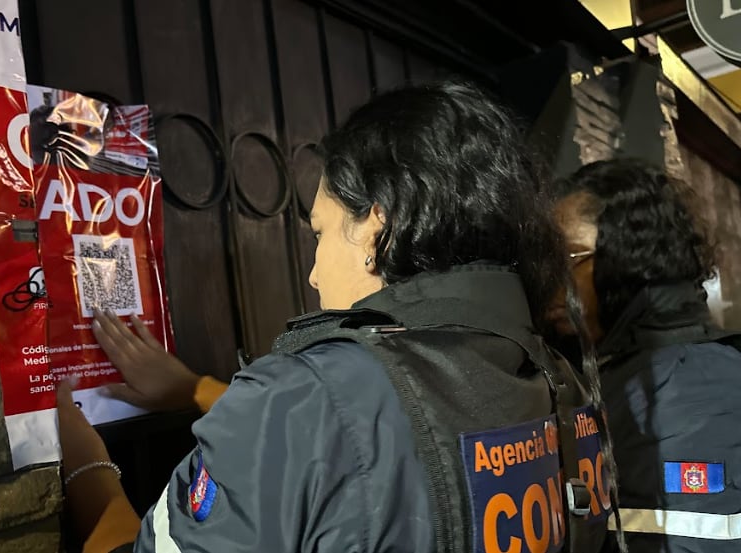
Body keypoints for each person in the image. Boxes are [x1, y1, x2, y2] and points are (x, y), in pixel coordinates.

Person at [57, 79, 615, 553]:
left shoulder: (305, 399)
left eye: (319, 232)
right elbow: (379, 443)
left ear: (379, 224)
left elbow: (340, 436)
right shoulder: (554, 380)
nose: (314, 276)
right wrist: (194, 390)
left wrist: (86, 465)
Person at [548, 158, 741, 552]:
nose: (551, 284)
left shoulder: (688, 396)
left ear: (629, 257)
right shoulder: (650, 370)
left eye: (570, 259)